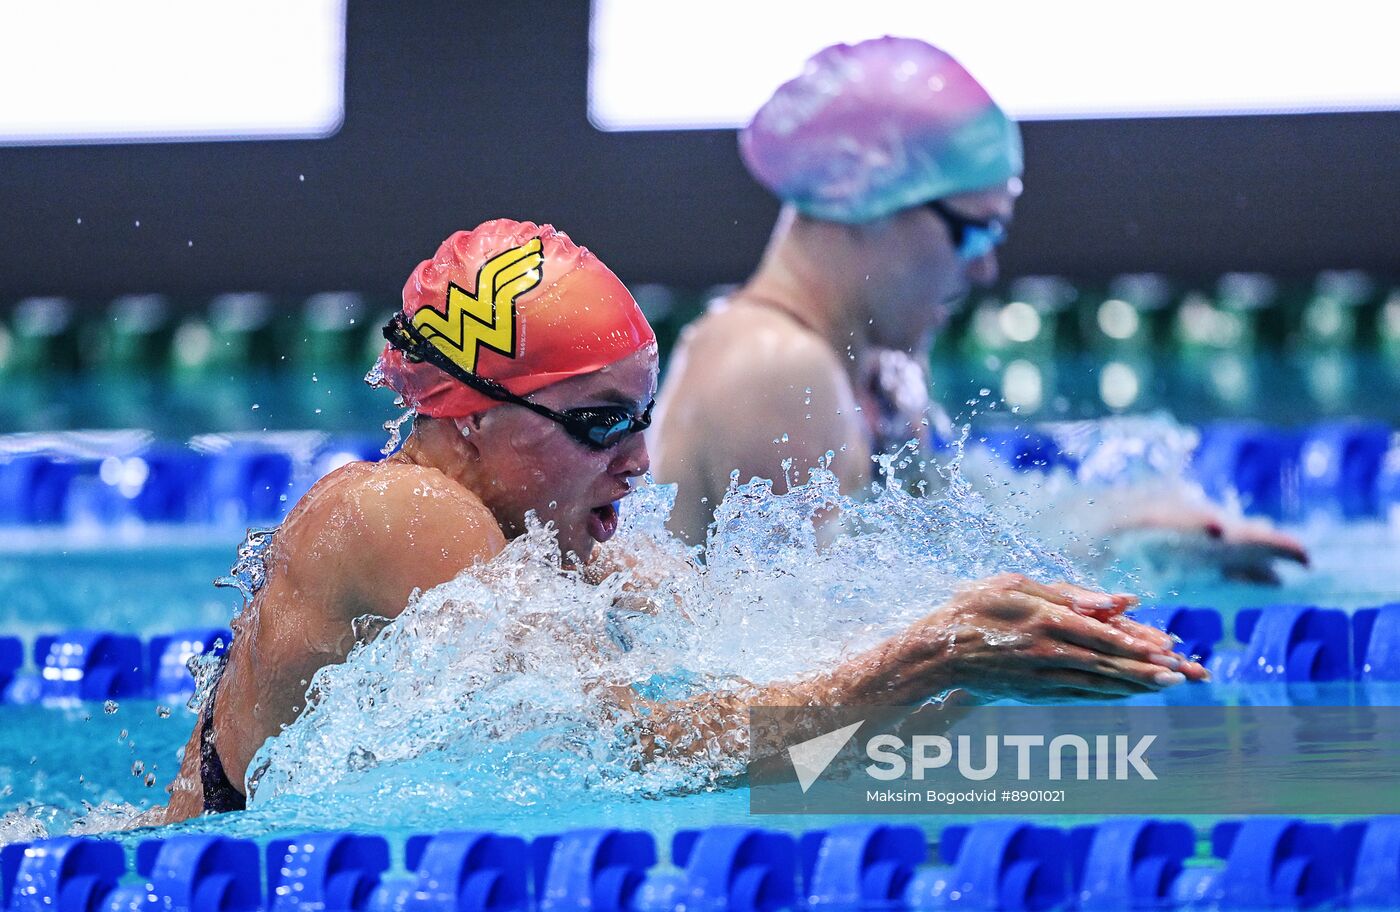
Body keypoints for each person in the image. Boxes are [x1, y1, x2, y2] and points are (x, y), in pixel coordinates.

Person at [161, 218, 1204, 822]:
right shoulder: (402, 511)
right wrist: (924, 661)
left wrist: (991, 653)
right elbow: (624, 747)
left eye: (644, 415)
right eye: (599, 420)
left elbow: (754, 693)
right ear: (468, 416)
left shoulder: (549, 543)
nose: (640, 457)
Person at [650, 37, 1307, 582]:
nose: (984, 267)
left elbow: (952, 549)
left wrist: (1135, 534)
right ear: (875, 202)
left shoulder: (858, 367)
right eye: (974, 231)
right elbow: (815, 696)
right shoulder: (774, 367)